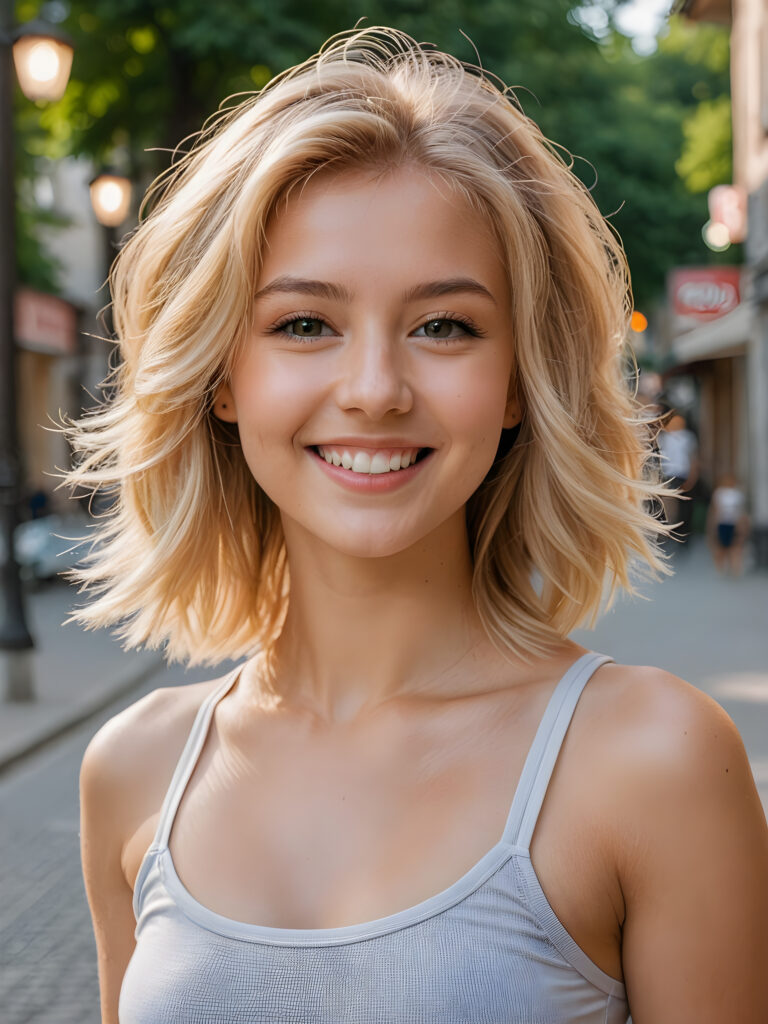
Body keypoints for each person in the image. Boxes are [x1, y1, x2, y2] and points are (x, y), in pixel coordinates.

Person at [67, 27, 768, 1024]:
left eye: (444, 325)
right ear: (223, 377)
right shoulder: (133, 770)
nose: (375, 390)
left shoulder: (652, 760)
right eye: (304, 322)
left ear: (520, 381)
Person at [656, 409, 699, 550]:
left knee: (685, 506)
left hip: (683, 473)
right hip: (668, 474)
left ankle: (684, 536)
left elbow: (693, 458)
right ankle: (666, 534)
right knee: (667, 506)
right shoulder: (663, 437)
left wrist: (692, 477)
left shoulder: (688, 437)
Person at [707, 473, 750, 576]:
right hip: (722, 523)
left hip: (734, 523)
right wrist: (712, 525)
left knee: (735, 547)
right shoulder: (719, 493)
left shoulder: (738, 494)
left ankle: (735, 569)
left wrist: (743, 525)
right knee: (721, 547)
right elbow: (715, 509)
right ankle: (721, 568)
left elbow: (741, 511)